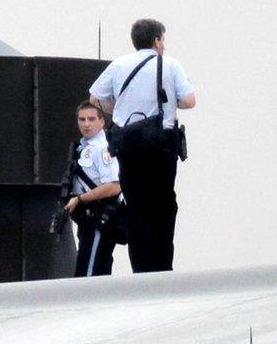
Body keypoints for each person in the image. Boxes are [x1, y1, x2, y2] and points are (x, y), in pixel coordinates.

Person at [89, 19, 196, 273]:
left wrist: (117, 110)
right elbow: (189, 100)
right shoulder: (169, 65)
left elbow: (94, 96)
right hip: (161, 145)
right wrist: (169, 103)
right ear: (157, 40)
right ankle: (162, 267)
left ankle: (141, 270)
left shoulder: (118, 65)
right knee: (164, 204)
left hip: (128, 146)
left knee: (136, 207)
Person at [64, 102, 122, 277]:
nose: (86, 124)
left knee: (91, 274)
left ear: (102, 121)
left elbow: (114, 186)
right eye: (82, 119)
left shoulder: (102, 148)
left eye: (91, 119)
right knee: (86, 269)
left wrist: (80, 199)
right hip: (87, 219)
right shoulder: (84, 146)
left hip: (99, 217)